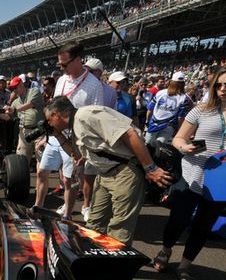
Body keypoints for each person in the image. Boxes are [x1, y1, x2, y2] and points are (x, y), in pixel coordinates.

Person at [153, 62, 226, 280]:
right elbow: (178, 138)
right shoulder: (201, 109)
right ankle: (166, 249)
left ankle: (185, 265)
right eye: (218, 85)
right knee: (178, 219)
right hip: (192, 172)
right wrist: (184, 147)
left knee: (204, 224)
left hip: (224, 179)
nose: (222, 89)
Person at [45, 96, 172, 246]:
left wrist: (150, 168)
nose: (48, 123)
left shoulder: (87, 115)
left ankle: (116, 265)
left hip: (124, 172)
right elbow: (76, 155)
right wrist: (58, 135)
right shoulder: (75, 125)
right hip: (105, 175)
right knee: (95, 223)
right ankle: (95, 259)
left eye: (48, 120)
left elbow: (129, 134)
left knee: (119, 227)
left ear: (56, 115)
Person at [50, 41, 104, 221]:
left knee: (79, 178)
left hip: (80, 140)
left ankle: (81, 208)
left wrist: (86, 147)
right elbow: (55, 106)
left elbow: (98, 117)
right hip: (60, 136)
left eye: (64, 64)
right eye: (60, 64)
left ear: (78, 60)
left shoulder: (94, 85)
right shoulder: (62, 80)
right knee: (61, 176)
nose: (61, 68)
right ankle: (68, 205)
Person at [145, 71, 193, 145]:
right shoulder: (184, 99)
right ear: (183, 84)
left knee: (147, 145)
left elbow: (150, 110)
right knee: (158, 146)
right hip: (169, 126)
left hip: (154, 124)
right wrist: (179, 130)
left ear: (171, 82)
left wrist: (147, 121)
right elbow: (180, 118)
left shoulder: (160, 93)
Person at [9, 76, 44, 161]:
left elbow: (30, 104)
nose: (14, 90)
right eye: (12, 89)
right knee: (21, 159)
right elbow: (8, 117)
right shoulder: (15, 102)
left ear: (21, 85)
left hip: (38, 130)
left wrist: (15, 110)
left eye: (15, 87)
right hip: (24, 131)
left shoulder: (34, 91)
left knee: (41, 159)